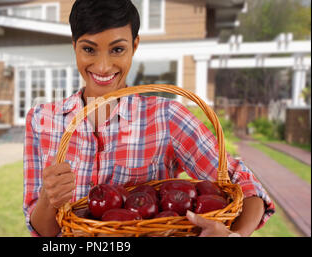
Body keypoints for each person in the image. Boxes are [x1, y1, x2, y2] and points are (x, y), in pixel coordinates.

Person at [23, 0, 275, 237]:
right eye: (89, 49)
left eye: (117, 49)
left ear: (135, 46)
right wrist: (49, 197)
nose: (102, 66)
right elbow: (42, 230)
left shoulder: (166, 118)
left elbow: (246, 185)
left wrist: (236, 235)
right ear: (74, 46)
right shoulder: (42, 120)